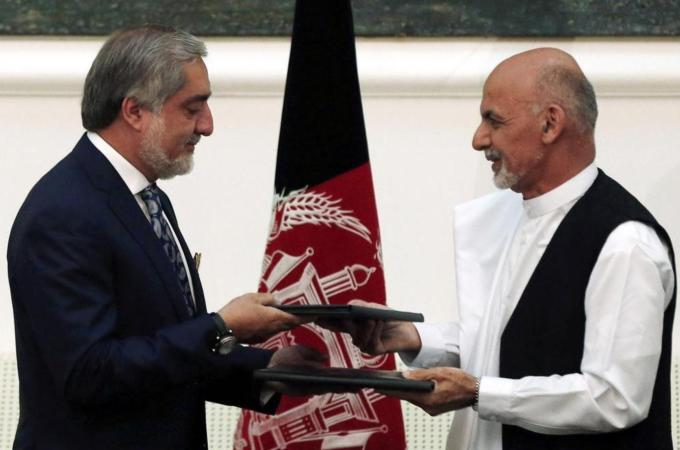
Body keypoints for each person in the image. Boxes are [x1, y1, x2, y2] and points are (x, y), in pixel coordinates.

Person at [318, 48, 676, 450]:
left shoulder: (624, 242)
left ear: (550, 123)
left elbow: (614, 397)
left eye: (494, 120)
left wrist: (478, 393)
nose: (479, 139)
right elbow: (505, 342)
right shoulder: (509, 217)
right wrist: (411, 337)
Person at [7, 26, 323, 450]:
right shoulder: (64, 214)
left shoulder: (147, 200)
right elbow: (91, 374)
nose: (207, 126)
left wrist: (268, 370)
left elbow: (162, 353)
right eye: (193, 108)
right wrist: (222, 326)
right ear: (135, 111)